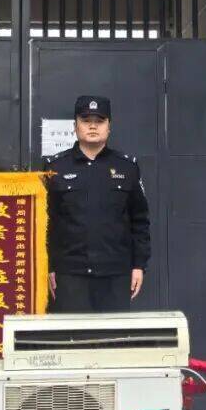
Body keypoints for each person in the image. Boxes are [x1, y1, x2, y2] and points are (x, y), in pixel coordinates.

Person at [43, 96, 150, 312]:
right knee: (73, 333)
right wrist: (49, 266)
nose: (93, 126)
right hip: (70, 275)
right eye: (86, 120)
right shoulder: (55, 168)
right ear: (75, 126)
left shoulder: (127, 167)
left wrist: (139, 265)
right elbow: (45, 222)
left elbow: (139, 221)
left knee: (113, 333)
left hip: (115, 274)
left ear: (109, 127)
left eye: (99, 121)